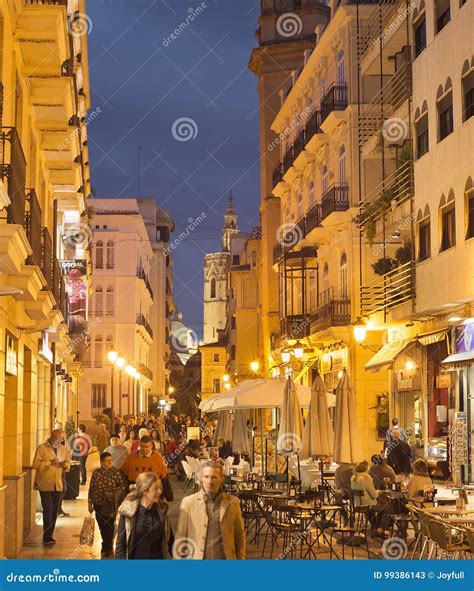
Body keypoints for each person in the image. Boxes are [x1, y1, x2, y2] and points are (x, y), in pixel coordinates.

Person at [175, 460, 246, 559]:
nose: (209, 481)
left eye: (214, 477)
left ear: (222, 478)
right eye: (206, 477)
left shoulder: (233, 503)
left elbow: (239, 535)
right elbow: (181, 535)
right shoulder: (188, 503)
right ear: (201, 478)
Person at [116, 472, 173, 559]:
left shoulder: (162, 510)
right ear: (145, 491)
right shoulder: (128, 511)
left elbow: (171, 540)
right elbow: (120, 545)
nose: (159, 492)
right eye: (156, 488)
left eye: (160, 488)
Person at [32, 430, 71, 546]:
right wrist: (50, 462)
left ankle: (50, 535)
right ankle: (46, 537)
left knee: (54, 510)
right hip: (44, 484)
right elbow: (35, 465)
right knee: (48, 509)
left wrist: (65, 465)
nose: (58, 442)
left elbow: (68, 464)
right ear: (51, 437)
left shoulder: (63, 449)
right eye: (57, 440)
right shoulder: (41, 448)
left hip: (57, 484)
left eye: (60, 440)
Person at [88, 452, 128, 558]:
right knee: (101, 525)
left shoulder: (116, 472)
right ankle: (105, 543)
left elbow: (122, 486)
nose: (110, 462)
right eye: (107, 460)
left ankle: (107, 547)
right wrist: (89, 502)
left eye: (111, 460)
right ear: (101, 462)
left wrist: (114, 493)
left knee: (109, 525)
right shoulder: (96, 473)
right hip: (98, 503)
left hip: (111, 504)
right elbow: (91, 487)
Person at [121, 436, 173, 501]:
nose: (144, 449)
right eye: (142, 446)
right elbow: (123, 475)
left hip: (153, 491)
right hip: (135, 491)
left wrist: (169, 495)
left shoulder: (157, 457)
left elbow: (164, 477)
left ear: (151, 446)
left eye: (147, 447)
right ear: (139, 444)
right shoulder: (131, 457)